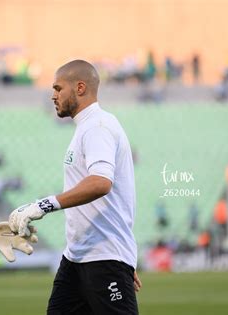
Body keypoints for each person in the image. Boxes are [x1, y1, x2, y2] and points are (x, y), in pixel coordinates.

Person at [8, 60, 141, 314]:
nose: (53, 95)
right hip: (76, 259)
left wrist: (43, 205)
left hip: (103, 258)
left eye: (58, 88)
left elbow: (101, 182)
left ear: (80, 88)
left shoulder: (98, 127)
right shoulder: (86, 128)